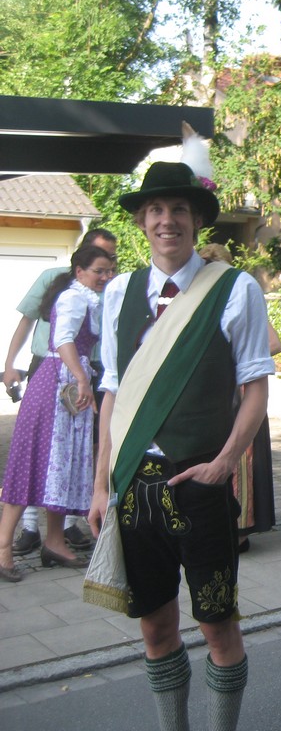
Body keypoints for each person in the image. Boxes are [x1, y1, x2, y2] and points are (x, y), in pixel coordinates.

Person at [85, 161, 274, 731]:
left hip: (201, 485)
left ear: (196, 222)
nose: (168, 220)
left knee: (218, 627)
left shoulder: (235, 289)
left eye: (179, 210)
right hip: (134, 486)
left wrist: (224, 464)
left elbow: (257, 390)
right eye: (157, 210)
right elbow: (113, 394)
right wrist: (99, 486)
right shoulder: (117, 293)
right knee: (154, 628)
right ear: (143, 221)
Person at [0, 245, 116, 581]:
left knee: (62, 467)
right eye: (99, 271)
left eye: (109, 270)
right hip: (54, 386)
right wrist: (81, 377)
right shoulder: (72, 298)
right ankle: (3, 547)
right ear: (80, 271)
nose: (106, 277)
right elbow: (63, 339)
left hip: (68, 388)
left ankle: (54, 542)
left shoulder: (89, 298)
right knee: (32, 463)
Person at [198, 243, 281, 551]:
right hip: (215, 395)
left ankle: (241, 531)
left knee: (241, 462)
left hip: (243, 393)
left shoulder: (240, 296)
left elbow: (274, 342)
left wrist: (235, 359)